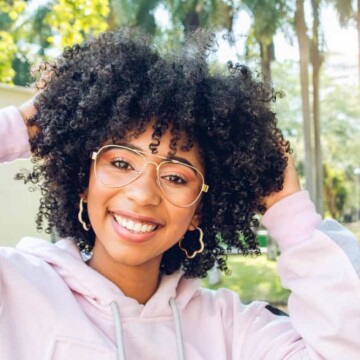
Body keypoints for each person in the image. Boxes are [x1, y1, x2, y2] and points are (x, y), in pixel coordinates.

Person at [0, 28, 359, 360]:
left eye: (175, 177)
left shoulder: (232, 329)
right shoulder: (15, 288)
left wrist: (287, 210)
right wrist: (21, 126)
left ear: (199, 210)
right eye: (122, 163)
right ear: (84, 181)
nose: (143, 195)